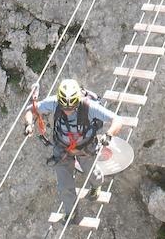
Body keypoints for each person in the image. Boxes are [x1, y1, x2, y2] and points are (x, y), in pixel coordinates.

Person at [23, 78, 123, 222]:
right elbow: (31, 110)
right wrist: (28, 124)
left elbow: (117, 120)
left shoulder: (89, 107)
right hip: (62, 149)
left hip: (85, 147)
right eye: (65, 108)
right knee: (64, 184)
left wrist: (109, 134)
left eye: (71, 107)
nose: (68, 111)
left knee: (93, 174)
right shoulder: (54, 102)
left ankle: (96, 185)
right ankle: (71, 213)